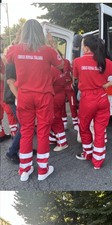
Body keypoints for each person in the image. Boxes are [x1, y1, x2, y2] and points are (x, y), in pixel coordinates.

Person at [6, 19, 63, 182]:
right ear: (40, 33)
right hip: (44, 95)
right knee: (44, 131)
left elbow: (7, 60)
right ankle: (43, 169)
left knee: (25, 131)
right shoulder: (48, 51)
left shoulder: (14, 50)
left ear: (23, 32)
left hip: (24, 96)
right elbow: (60, 66)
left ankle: (24, 169)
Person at [73, 34, 112, 169]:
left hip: (87, 99)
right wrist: (106, 85)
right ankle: (98, 162)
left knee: (83, 127)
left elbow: (75, 79)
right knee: (100, 130)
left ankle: (88, 153)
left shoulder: (77, 62)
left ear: (87, 48)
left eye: (83, 44)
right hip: (102, 98)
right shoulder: (107, 62)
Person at [50, 65, 68, 151]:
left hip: (54, 97)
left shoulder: (51, 69)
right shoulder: (57, 69)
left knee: (55, 120)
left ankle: (62, 143)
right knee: (55, 118)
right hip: (59, 95)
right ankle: (54, 138)